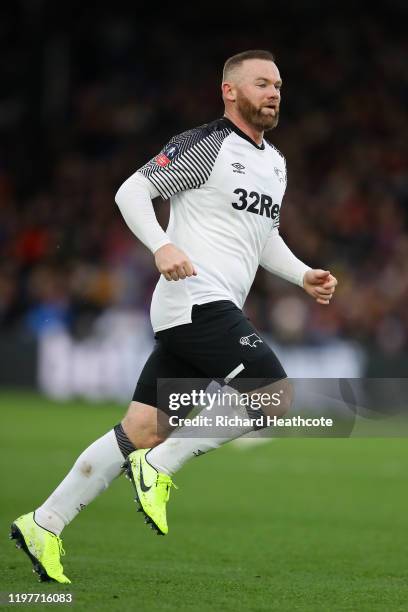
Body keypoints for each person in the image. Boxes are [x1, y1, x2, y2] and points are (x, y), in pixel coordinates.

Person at [10, 49, 337, 584]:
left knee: (140, 428)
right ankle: (160, 467)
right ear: (229, 91)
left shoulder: (275, 163)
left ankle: (44, 523)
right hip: (193, 297)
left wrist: (302, 274)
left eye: (278, 84)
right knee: (273, 394)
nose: (274, 92)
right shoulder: (204, 144)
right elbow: (132, 190)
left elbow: (263, 236)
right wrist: (161, 246)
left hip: (209, 306)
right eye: (261, 83)